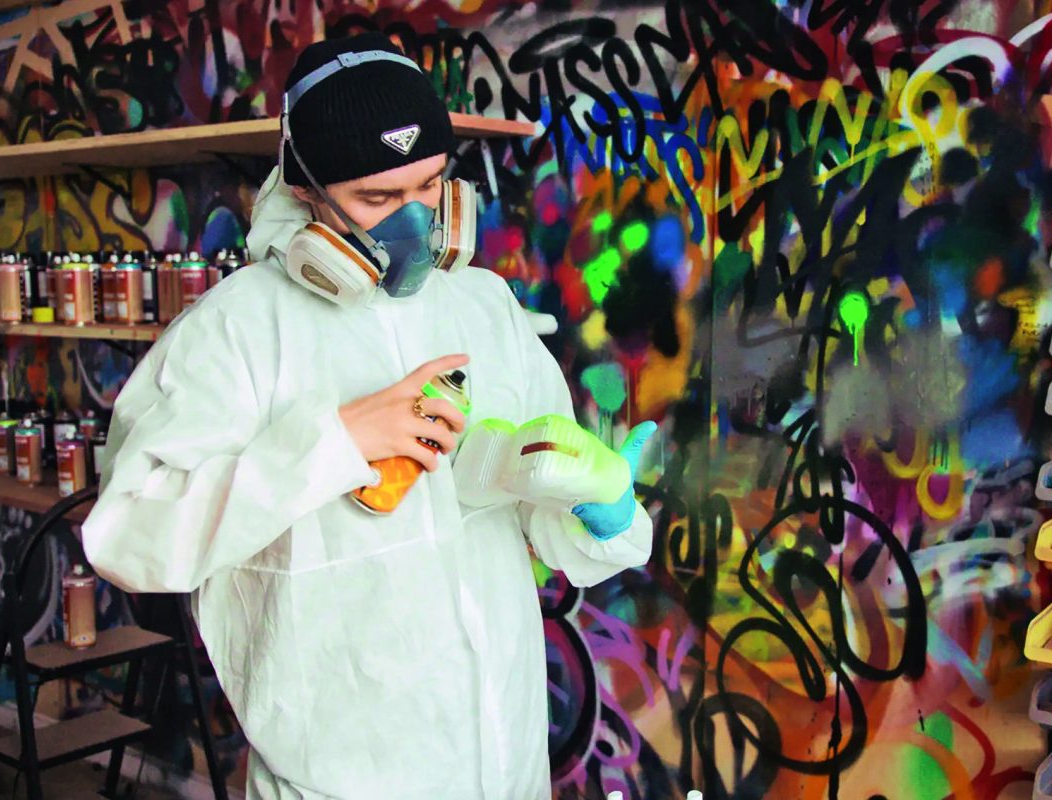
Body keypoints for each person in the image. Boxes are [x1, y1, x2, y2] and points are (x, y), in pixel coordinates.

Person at [81, 32, 654, 800]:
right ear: (307, 190)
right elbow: (127, 537)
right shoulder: (236, 332)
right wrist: (334, 442)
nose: (413, 221)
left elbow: (542, 522)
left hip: (504, 763)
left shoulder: (483, 307)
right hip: (337, 781)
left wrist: (599, 508)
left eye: (430, 186)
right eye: (377, 200)